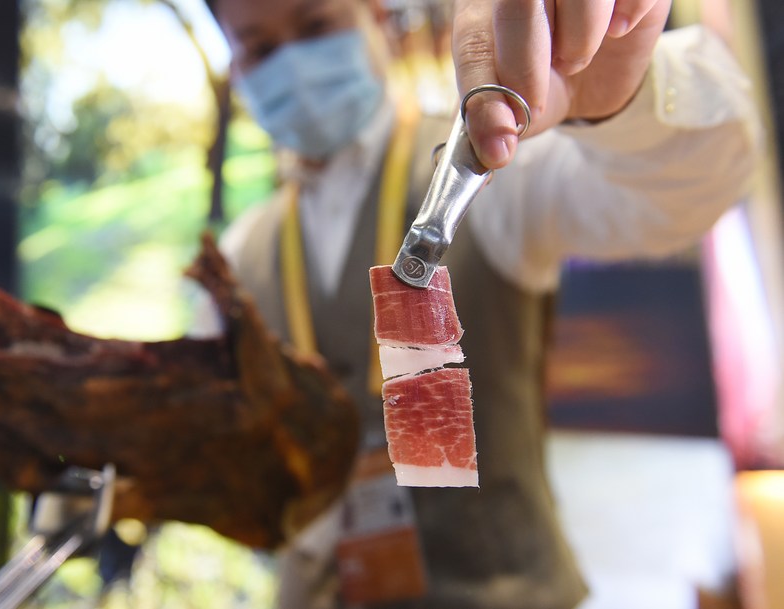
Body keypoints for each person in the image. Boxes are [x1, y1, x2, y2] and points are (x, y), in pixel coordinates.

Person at [201, 0, 761, 607]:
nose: (293, 63)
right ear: (237, 66)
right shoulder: (238, 260)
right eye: (260, 48)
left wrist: (616, 105)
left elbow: (681, 198)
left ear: (376, 18)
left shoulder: (494, 158)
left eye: (316, 27)